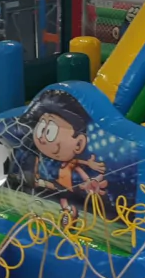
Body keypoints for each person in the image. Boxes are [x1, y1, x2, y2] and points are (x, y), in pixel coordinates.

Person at [22, 90, 108, 228]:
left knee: (64, 198)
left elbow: (78, 166)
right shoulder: (42, 158)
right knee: (56, 194)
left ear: (79, 144)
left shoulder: (68, 164)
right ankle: (66, 211)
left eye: (50, 132)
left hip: (64, 187)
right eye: (41, 128)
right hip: (55, 186)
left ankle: (69, 212)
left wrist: (88, 180)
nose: (42, 138)